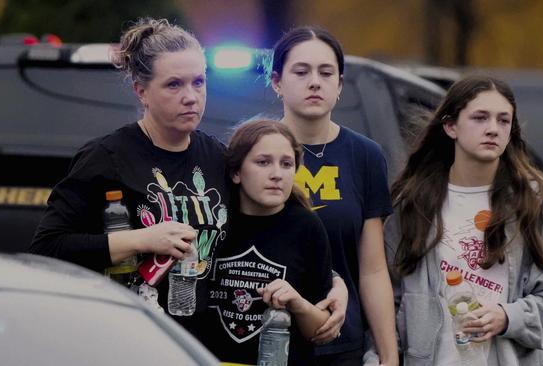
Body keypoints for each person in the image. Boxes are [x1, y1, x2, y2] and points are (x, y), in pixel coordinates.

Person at [30, 18, 346, 342]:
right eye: (174, 85)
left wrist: (333, 281)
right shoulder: (106, 157)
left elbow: (274, 226)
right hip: (122, 339)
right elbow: (47, 248)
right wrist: (142, 239)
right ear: (142, 92)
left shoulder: (218, 159)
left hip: (195, 346)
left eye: (198, 82)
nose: (191, 96)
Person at [377, 75, 543, 365]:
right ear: (451, 126)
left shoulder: (530, 198)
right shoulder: (414, 202)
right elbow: (384, 297)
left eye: (503, 120)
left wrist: (508, 317)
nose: (493, 129)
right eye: (480, 117)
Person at [269, 26, 398, 366]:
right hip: (264, 333)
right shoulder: (253, 151)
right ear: (277, 81)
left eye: (326, 73)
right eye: (301, 71)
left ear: (340, 86)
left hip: (340, 342)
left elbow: (372, 269)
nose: (315, 81)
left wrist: (389, 355)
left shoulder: (365, 155)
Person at [202, 119, 333, 365]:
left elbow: (321, 330)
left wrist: (298, 304)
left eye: (286, 164)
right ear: (236, 172)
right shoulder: (213, 219)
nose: (276, 174)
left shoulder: (307, 227)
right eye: (263, 162)